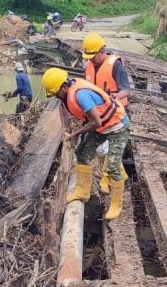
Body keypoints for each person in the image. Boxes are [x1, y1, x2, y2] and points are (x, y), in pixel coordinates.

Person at [42, 67, 130, 220]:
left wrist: (77, 133)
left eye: (56, 93)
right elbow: (65, 109)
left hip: (117, 126)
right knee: (82, 154)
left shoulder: (81, 96)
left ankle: (116, 205)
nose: (56, 97)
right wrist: (66, 131)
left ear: (64, 86)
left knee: (112, 167)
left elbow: (96, 121)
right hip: (102, 127)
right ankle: (82, 192)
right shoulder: (66, 93)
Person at [81, 33, 133, 194]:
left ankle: (109, 182)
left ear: (101, 51)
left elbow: (126, 89)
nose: (90, 59)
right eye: (88, 56)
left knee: (110, 150)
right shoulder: (89, 65)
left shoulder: (115, 66)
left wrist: (115, 98)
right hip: (98, 114)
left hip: (116, 114)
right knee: (103, 150)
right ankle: (119, 178)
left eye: (93, 55)